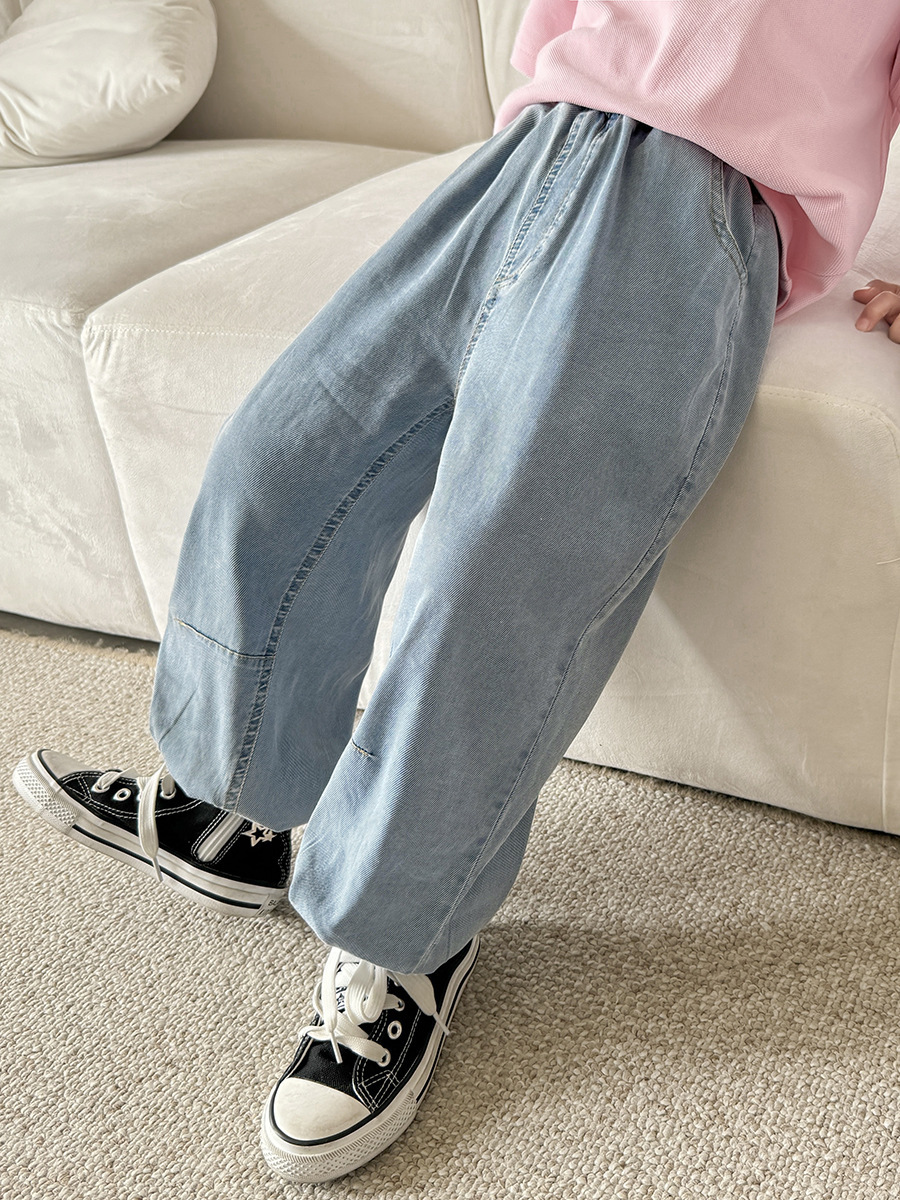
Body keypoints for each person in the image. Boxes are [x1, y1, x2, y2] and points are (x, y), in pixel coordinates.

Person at [12, 1, 900, 1185]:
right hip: (530, 155)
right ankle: (234, 809)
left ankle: (404, 936)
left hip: (694, 207)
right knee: (277, 464)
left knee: (492, 577)